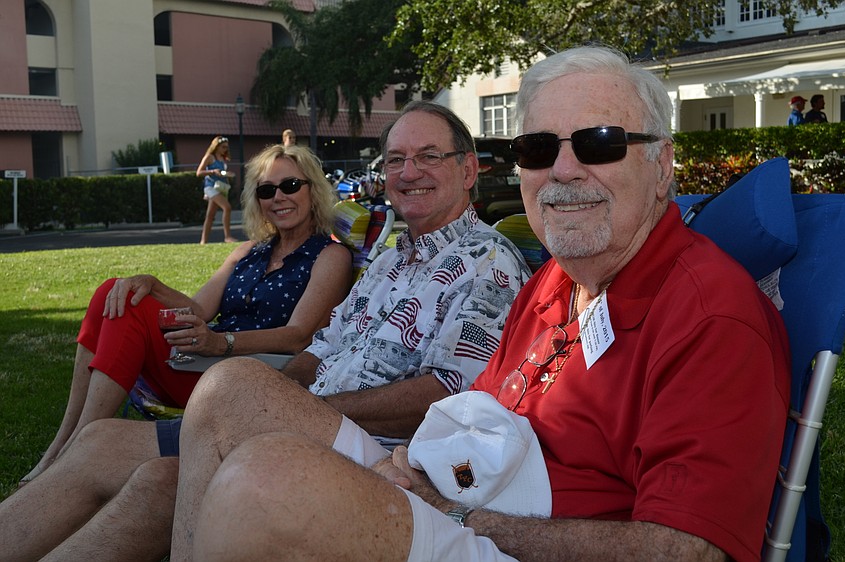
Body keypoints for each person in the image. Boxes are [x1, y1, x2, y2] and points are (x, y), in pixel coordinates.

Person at [171, 46, 791, 562]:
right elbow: (475, 408)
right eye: (538, 149)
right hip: (461, 480)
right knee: (233, 392)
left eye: (600, 143)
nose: (564, 171)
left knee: (264, 483)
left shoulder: (710, 318)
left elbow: (685, 549)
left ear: (662, 165)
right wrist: (406, 467)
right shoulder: (555, 281)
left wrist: (464, 516)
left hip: (515, 536)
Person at [0, 100, 530, 561]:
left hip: (383, 452)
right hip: (315, 419)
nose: (409, 171)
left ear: (467, 170)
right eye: (396, 159)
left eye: (429, 156)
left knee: (230, 387)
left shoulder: (489, 263)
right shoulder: (391, 262)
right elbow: (319, 349)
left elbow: (450, 392)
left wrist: (296, 409)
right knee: (128, 460)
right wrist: (282, 397)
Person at [16, 143, 352, 487]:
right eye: (267, 190)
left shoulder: (330, 256)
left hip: (250, 381)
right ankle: (63, 444)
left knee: (126, 306)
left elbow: (298, 335)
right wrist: (152, 284)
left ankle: (71, 454)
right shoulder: (249, 251)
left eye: (291, 186)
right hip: (202, 362)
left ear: (313, 189)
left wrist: (221, 343)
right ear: (258, 200)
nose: (279, 197)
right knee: (114, 291)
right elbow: (199, 310)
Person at [197, 135, 238, 244]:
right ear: (217, 146)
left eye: (226, 147)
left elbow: (221, 173)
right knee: (227, 207)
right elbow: (199, 172)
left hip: (220, 187)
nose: (225, 149)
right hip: (210, 187)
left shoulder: (223, 159)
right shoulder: (209, 157)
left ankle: (203, 241)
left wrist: (227, 174)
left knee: (210, 215)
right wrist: (212, 171)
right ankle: (227, 237)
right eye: (223, 147)